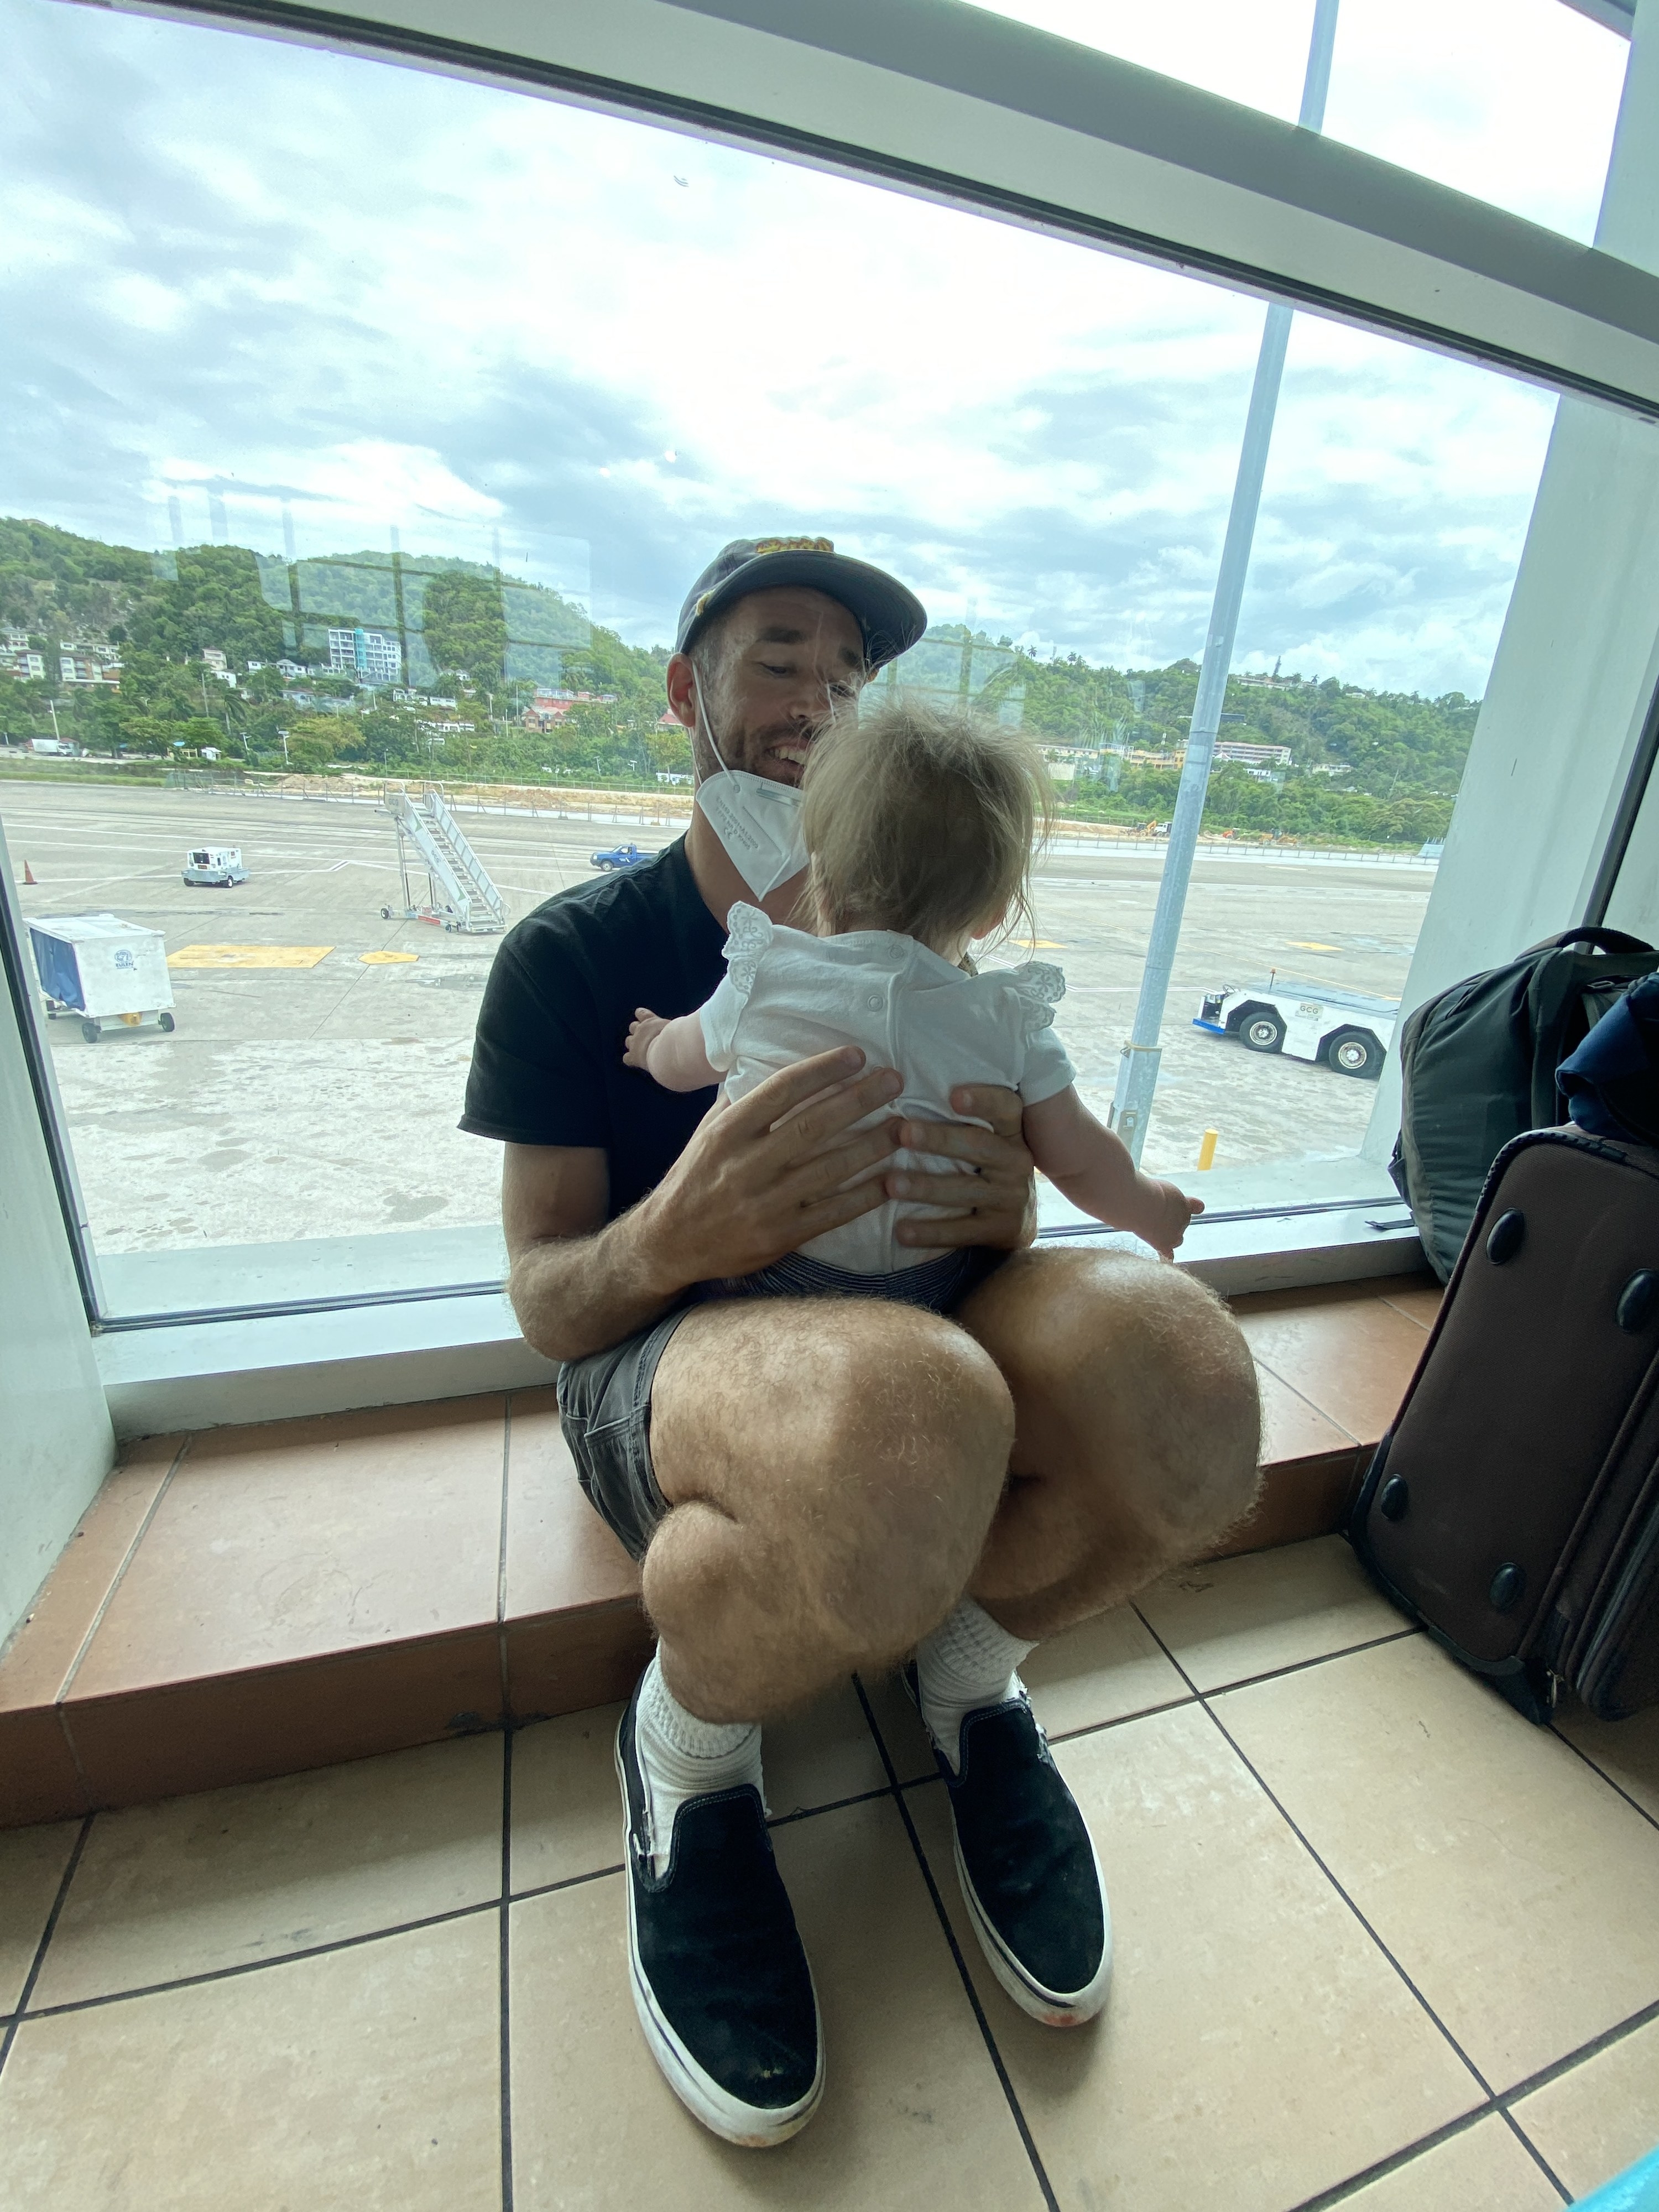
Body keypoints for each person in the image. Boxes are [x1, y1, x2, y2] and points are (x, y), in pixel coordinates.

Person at [462, 536, 1261, 2150]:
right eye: (779, 660)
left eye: (851, 678)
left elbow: (1014, 1213)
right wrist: (679, 1229)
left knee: (1186, 1386)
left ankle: (974, 1674)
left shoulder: (932, 967)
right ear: (684, 692)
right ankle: (691, 1752)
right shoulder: (571, 956)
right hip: (673, 1370)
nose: (820, 704)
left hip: (922, 1347)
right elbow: (547, 1300)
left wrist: (1012, 1216)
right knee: (912, 1416)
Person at [622, 693, 1204, 1302]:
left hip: (772, 1273)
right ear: (991, 915)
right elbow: (1081, 1159)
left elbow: (684, 1064)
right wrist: (1153, 1207)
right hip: (938, 1282)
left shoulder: (765, 973)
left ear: (821, 883)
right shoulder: (1007, 1016)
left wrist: (653, 1043)